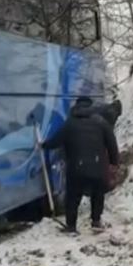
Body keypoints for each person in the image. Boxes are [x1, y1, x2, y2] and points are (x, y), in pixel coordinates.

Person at [42, 96, 119, 234]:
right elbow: (112, 144)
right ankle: (96, 221)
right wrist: (114, 162)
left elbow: (56, 141)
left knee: (72, 197)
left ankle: (71, 226)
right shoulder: (101, 123)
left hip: (76, 168)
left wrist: (43, 145)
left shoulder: (70, 124)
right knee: (97, 194)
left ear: (76, 107)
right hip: (97, 167)